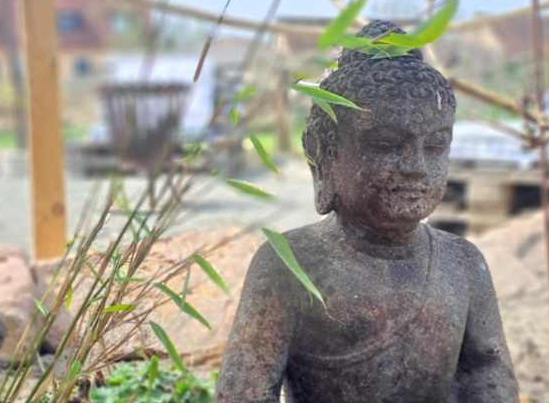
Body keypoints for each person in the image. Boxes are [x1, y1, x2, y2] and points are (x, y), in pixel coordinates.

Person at [216, 20, 519, 403]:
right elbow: (242, 393)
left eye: (435, 146)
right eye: (387, 145)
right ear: (325, 155)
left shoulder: (463, 263)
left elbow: (489, 376)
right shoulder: (290, 266)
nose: (416, 167)